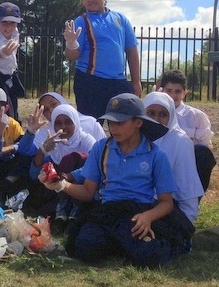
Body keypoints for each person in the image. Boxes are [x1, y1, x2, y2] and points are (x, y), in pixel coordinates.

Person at [42, 93, 193, 268]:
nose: (113, 128)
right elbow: (88, 193)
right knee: (85, 247)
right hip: (107, 212)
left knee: (150, 256)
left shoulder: (156, 155)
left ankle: (127, 244)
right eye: (110, 122)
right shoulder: (101, 148)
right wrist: (61, 185)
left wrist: (148, 217)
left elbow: (166, 203)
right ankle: (124, 244)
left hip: (137, 213)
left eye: (120, 122)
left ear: (138, 122)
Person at [64, 0, 141, 119]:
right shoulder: (81, 21)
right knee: (91, 125)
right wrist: (70, 43)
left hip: (118, 81)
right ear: (82, 1)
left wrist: (136, 81)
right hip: (90, 81)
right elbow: (73, 56)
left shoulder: (120, 18)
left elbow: (132, 50)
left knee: (124, 124)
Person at [31, 104, 96, 233]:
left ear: (76, 123)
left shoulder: (87, 141)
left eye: (68, 122)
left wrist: (69, 176)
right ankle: (61, 217)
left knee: (73, 158)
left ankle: (73, 217)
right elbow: (33, 175)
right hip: (57, 190)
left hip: (83, 188)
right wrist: (42, 151)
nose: (63, 127)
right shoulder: (54, 142)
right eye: (58, 123)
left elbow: (96, 167)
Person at [143, 92, 204, 224]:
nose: (156, 119)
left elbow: (186, 186)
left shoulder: (180, 141)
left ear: (171, 116)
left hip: (165, 206)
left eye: (163, 114)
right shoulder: (137, 137)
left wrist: (186, 224)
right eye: (151, 113)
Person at [159, 69, 216, 192]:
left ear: (185, 92)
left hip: (188, 166)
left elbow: (206, 148)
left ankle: (194, 199)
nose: (173, 96)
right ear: (162, 90)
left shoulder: (197, 116)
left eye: (178, 91)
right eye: (169, 91)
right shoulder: (152, 114)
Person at [0, 87, 36, 208]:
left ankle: (6, 185)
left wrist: (10, 148)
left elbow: (22, 144)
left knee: (28, 157)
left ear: (6, 108)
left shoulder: (12, 123)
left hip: (10, 163)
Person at [37, 92, 106, 141]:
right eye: (45, 110)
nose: (51, 110)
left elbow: (104, 150)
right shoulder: (46, 132)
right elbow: (28, 153)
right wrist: (31, 131)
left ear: (62, 102)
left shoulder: (91, 122)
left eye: (53, 104)